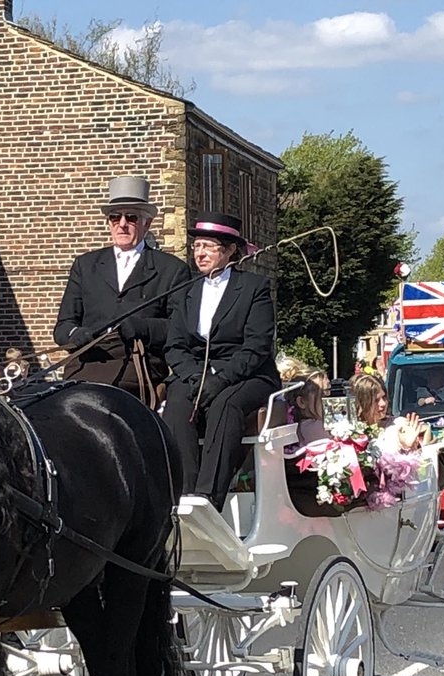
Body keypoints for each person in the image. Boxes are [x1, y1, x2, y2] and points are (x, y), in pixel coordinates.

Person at [161, 212, 280, 509]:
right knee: (176, 404)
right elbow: (175, 346)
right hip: (196, 373)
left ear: (229, 251)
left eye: (208, 247)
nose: (200, 253)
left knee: (226, 403)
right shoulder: (186, 290)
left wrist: (220, 377)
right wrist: (195, 377)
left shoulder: (253, 288)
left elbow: (257, 346)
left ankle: (208, 497)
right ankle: (183, 493)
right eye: (196, 246)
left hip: (246, 374)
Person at [53, 176, 191, 397]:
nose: (122, 224)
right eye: (115, 217)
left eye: (131, 217)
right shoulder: (86, 265)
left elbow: (180, 327)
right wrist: (75, 333)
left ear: (147, 223)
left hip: (136, 364)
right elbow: (63, 326)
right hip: (87, 362)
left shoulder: (171, 270)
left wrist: (142, 327)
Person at [352, 372, 427, 452]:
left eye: (384, 397)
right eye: (376, 400)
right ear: (362, 403)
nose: (383, 403)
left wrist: (409, 447)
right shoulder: (350, 432)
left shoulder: (400, 425)